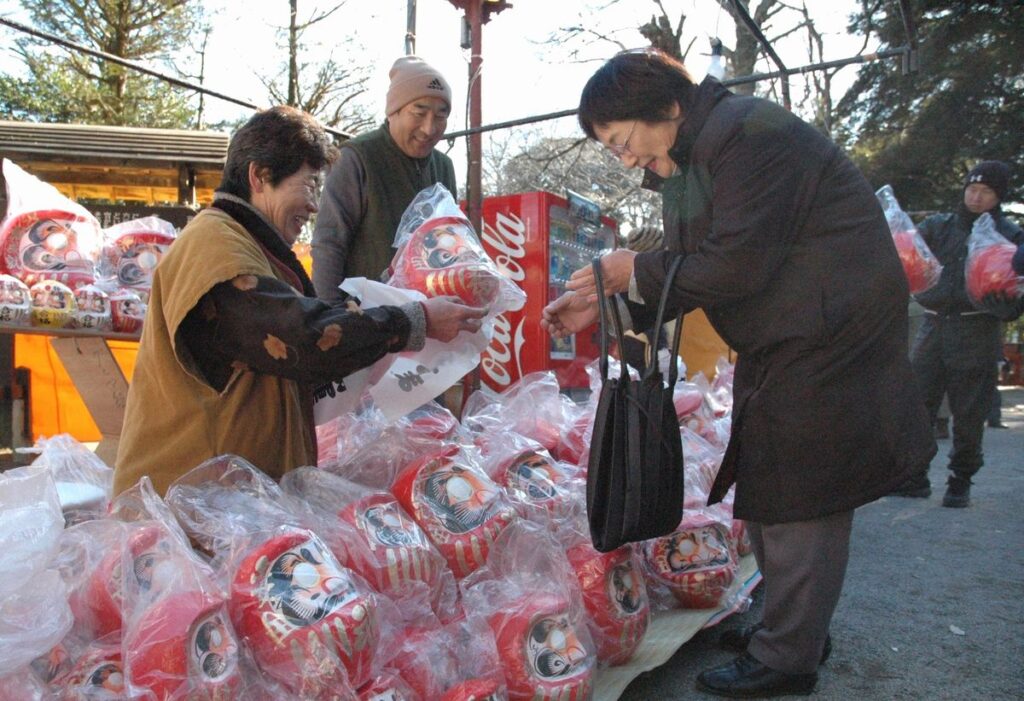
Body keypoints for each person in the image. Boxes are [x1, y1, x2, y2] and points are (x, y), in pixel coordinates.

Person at [540, 49, 935, 698]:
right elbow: (689, 266)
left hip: (829, 334)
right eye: (613, 149)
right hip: (791, 331)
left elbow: (735, 262)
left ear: (666, 106)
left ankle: (788, 658)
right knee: (774, 481)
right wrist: (603, 297)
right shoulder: (701, 155)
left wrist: (629, 273)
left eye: (622, 140)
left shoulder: (751, 136)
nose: (626, 159)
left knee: (804, 490)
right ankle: (790, 629)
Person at [113, 106, 485, 497]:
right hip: (184, 509)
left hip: (225, 505)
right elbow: (302, 335)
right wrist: (412, 321)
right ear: (259, 176)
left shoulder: (249, 248)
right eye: (308, 185)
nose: (312, 206)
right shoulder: (215, 247)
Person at [893, 160, 1024, 507]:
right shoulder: (940, 226)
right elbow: (905, 245)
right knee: (917, 404)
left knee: (969, 412)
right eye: (972, 189)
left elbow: (1016, 292)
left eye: (986, 192)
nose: (976, 197)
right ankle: (914, 475)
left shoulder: (1010, 237)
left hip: (977, 328)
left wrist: (1009, 305)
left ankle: (960, 479)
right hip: (933, 324)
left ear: (999, 197)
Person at [311, 56, 457, 301]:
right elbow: (329, 244)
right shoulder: (356, 157)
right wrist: (330, 318)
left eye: (440, 116)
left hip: (432, 321)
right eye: (419, 113)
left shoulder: (444, 167)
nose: (429, 128)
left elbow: (452, 244)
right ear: (393, 112)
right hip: (366, 322)